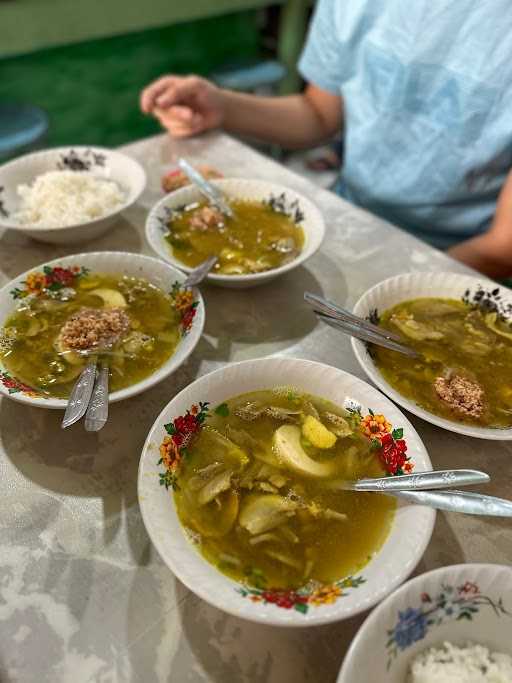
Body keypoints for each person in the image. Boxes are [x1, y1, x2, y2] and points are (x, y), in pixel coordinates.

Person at [140, 0, 512, 278]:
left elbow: (500, 247)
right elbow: (318, 114)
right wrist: (221, 106)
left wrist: (397, 285)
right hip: (347, 214)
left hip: (455, 253)